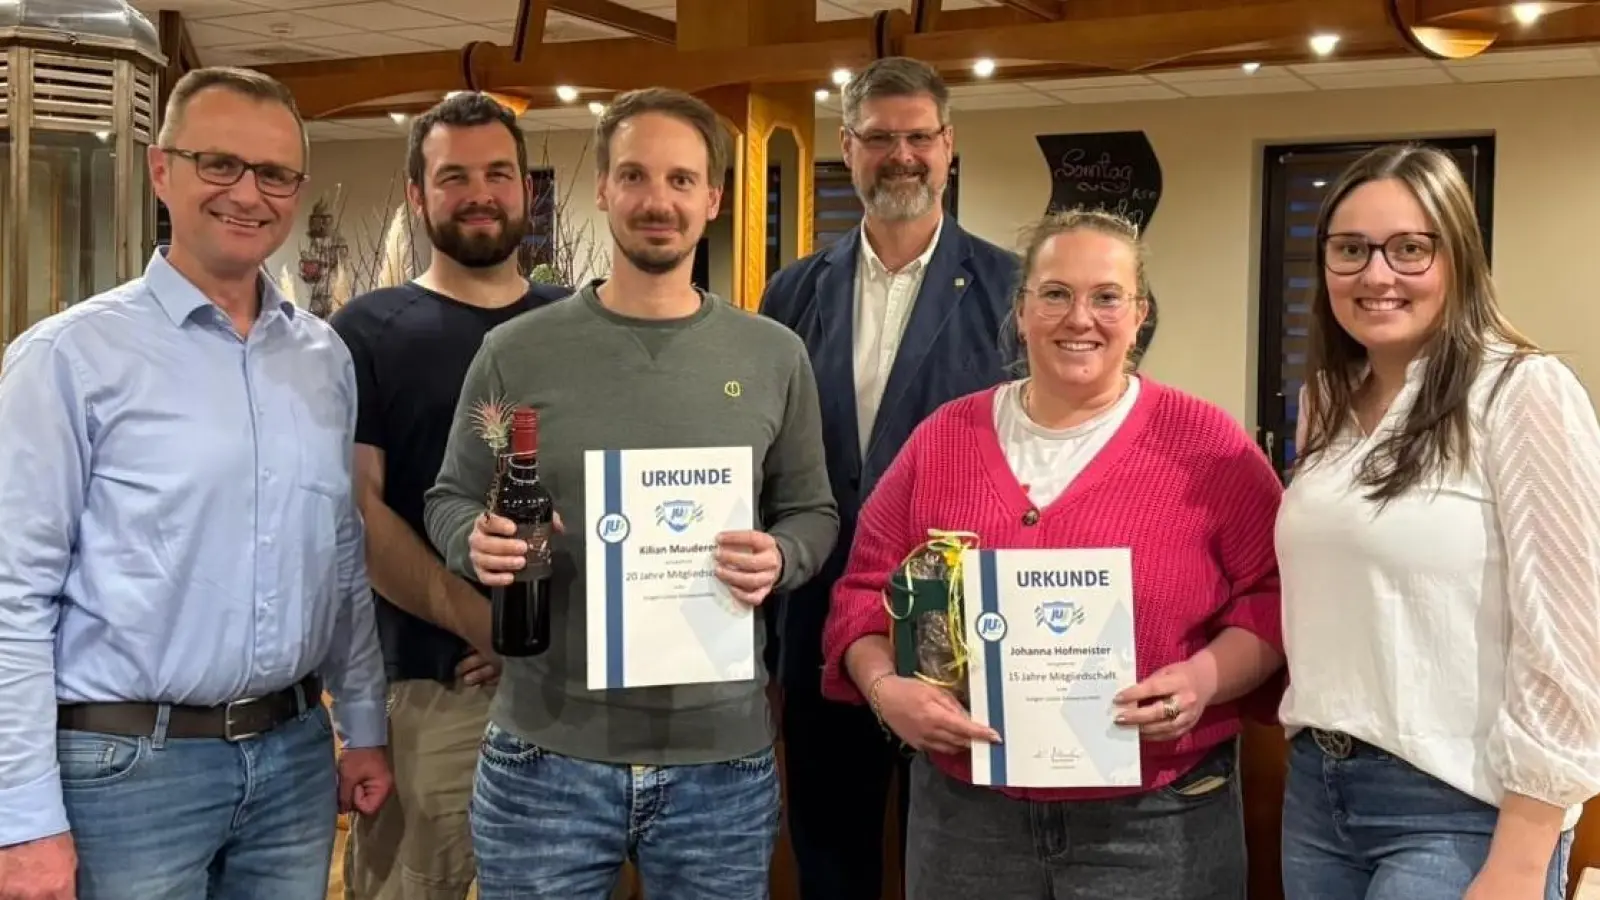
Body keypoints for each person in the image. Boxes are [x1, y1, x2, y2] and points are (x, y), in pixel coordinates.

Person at [422, 87, 839, 900]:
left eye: (682, 180)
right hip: (546, 755)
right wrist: (474, 539)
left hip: (720, 762)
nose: (659, 201)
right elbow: (449, 496)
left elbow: (813, 512)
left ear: (713, 199)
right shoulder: (517, 352)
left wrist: (781, 557)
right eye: (636, 176)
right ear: (604, 189)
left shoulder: (772, 355)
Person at [0, 66, 391, 900]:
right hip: (126, 777)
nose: (248, 194)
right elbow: (12, 597)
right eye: (220, 164)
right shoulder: (68, 360)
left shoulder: (323, 360)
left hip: (291, 761)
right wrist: (22, 818)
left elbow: (341, 561)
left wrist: (362, 724)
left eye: (274, 174)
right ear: (160, 169)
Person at [820, 207, 1287, 900]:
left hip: (1157, 820)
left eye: (1106, 297)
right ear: (1020, 308)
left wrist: (1204, 678)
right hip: (967, 820)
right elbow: (862, 595)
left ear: (1139, 314)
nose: (1081, 318)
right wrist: (889, 693)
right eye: (1056, 294)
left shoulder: (1207, 446)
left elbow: (1274, 596)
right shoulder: (943, 440)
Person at [1276, 143, 1600, 900]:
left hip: (1460, 806)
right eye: (1350, 249)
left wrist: (1523, 858)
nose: (1376, 275)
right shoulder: (1325, 399)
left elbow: (1572, 642)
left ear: (1458, 260)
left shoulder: (1524, 392)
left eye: (1409, 249)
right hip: (1316, 793)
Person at [757, 56, 1017, 900]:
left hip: (972, 636)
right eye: (879, 139)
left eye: (918, 137)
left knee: (961, 866)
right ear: (847, 147)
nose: (900, 155)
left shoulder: (1014, 291)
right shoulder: (793, 292)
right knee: (831, 861)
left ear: (949, 146)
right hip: (826, 632)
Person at [331, 91, 571, 900]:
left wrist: (551, 641)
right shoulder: (366, 331)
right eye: (454, 175)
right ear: (415, 193)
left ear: (526, 191)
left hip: (570, 692)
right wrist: (488, 627)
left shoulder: (575, 324)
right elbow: (363, 514)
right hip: (433, 688)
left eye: (500, 172)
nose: (481, 192)